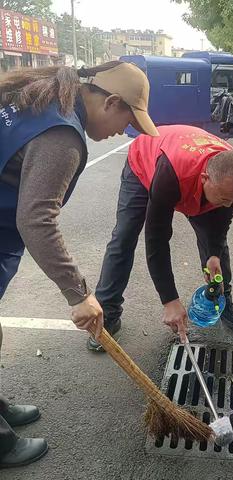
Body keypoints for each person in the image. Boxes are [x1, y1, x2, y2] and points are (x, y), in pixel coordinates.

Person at [0, 61, 158, 468]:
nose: (123, 133)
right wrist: (80, 293)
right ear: (111, 101)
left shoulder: (43, 98)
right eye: (127, 121)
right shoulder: (62, 136)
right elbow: (36, 218)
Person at [89, 125, 233, 352]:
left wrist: (213, 253)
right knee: (124, 236)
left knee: (216, 248)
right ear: (205, 178)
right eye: (225, 199)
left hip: (191, 173)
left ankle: (221, 301)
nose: (228, 205)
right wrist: (170, 300)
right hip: (146, 163)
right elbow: (157, 239)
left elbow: (220, 225)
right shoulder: (172, 175)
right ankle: (107, 313)